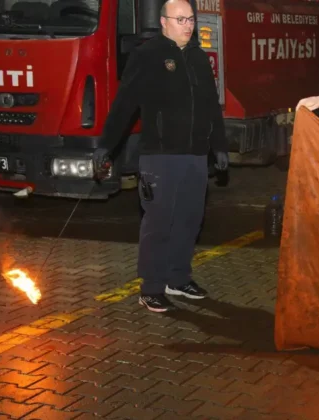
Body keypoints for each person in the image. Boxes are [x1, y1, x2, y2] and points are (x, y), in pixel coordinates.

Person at [93, 0, 228, 312]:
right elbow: (124, 104)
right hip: (161, 156)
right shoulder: (148, 54)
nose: (188, 25)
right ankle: (152, 286)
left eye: (191, 19)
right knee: (159, 223)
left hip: (195, 155)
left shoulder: (197, 57)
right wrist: (106, 146)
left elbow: (210, 105)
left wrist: (218, 146)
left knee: (189, 220)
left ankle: (178, 279)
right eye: (180, 19)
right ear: (164, 21)